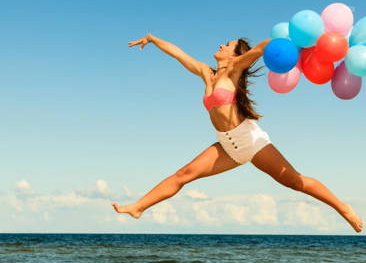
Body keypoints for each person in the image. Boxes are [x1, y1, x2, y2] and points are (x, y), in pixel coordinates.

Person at [112, 34, 363, 233]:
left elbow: (260, 49)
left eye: (228, 44)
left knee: (295, 182)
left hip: (250, 140)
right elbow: (179, 55)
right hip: (227, 146)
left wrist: (278, 44)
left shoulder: (234, 69)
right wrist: (153, 39)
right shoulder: (207, 73)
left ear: (234, 55)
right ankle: (138, 207)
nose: (221, 44)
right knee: (183, 175)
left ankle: (343, 209)